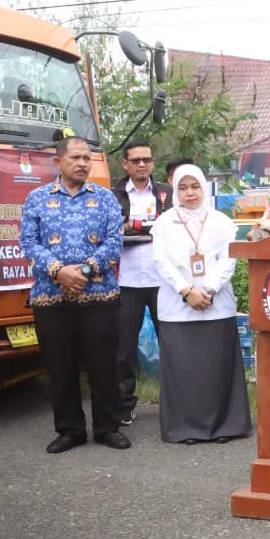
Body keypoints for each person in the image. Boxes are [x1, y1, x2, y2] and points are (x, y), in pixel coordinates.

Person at [19, 134, 128, 453]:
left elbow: (114, 242)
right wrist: (58, 271)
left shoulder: (106, 197)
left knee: (103, 365)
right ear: (58, 162)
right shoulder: (37, 198)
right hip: (51, 297)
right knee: (60, 366)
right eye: (76, 158)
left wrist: (83, 271)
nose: (82, 163)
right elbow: (28, 243)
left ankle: (108, 428)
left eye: (87, 158)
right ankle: (70, 430)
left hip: (99, 295)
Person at [151, 165, 251, 444]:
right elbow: (161, 261)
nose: (190, 193)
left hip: (216, 303)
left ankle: (225, 426)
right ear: (175, 190)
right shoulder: (164, 223)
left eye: (195, 186)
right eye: (183, 187)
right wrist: (186, 291)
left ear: (204, 187)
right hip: (177, 306)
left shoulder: (221, 221)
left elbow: (229, 259)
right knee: (185, 370)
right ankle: (186, 428)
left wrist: (208, 289)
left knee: (217, 368)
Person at [111, 141, 173, 427]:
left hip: (164, 280)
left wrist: (133, 226)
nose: (141, 165)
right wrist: (143, 227)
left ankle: (177, 402)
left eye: (146, 159)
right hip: (127, 281)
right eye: (135, 160)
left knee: (172, 343)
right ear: (125, 164)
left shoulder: (166, 192)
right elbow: (111, 230)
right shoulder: (112, 195)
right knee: (124, 348)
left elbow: (174, 226)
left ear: (152, 162)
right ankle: (124, 405)